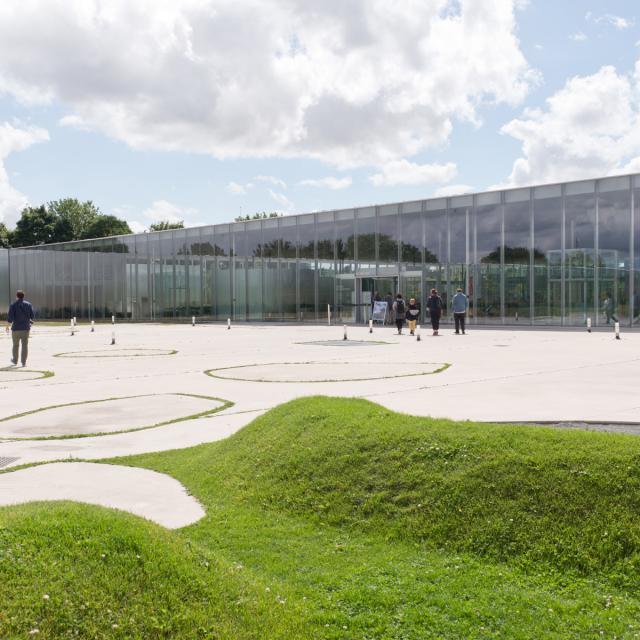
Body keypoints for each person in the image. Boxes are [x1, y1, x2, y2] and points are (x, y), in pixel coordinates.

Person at [6, 290, 35, 367]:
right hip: (26, 328)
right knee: (25, 345)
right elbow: (32, 316)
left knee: (15, 345)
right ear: (23, 296)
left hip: (16, 329)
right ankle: (23, 362)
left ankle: (15, 360)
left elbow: (10, 318)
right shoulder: (28, 305)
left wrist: (7, 326)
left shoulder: (13, 305)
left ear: (17, 296)